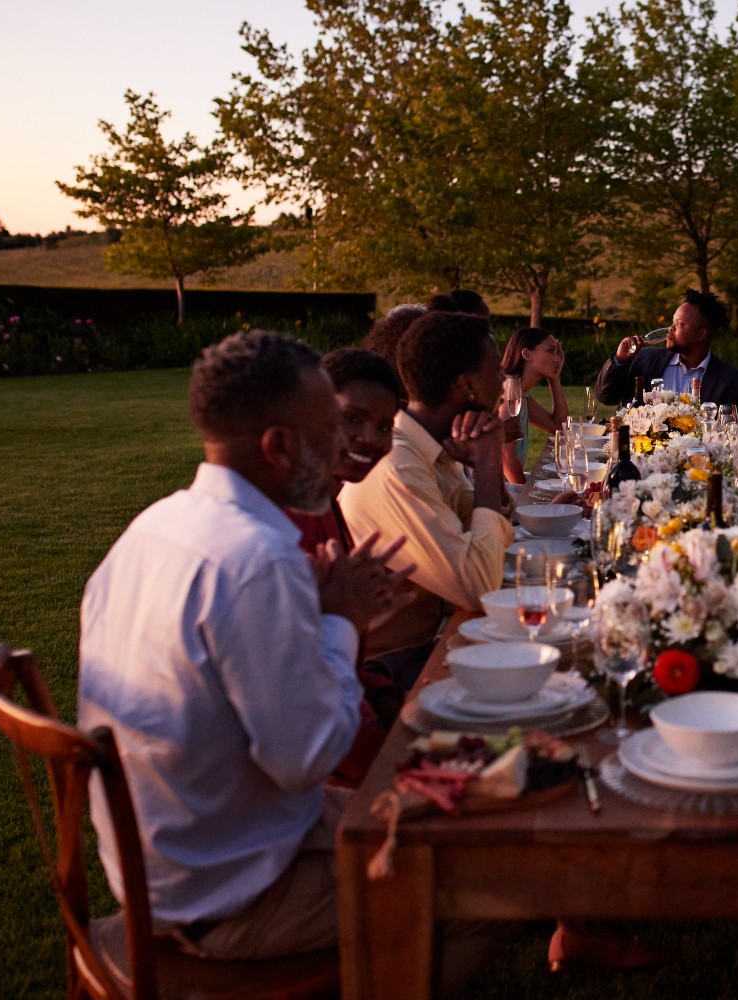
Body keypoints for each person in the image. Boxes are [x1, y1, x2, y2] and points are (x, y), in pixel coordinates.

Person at [78, 330, 414, 962]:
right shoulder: (259, 560)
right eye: (330, 430)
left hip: (167, 854)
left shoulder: (153, 526)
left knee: (429, 815)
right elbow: (309, 757)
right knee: (468, 874)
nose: (345, 446)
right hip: (226, 890)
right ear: (280, 446)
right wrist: (341, 621)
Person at [339, 311, 514, 682]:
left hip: (436, 642)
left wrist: (485, 465)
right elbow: (478, 585)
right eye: (495, 371)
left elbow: (494, 527)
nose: (502, 381)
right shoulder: (397, 466)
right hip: (392, 670)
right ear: (466, 386)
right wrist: (486, 462)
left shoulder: (428, 445)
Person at [283, 347, 408, 785]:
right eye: (351, 419)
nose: (370, 440)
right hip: (317, 778)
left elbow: (342, 663)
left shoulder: (324, 502)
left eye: (384, 427)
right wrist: (399, 760)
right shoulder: (280, 532)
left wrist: (391, 703)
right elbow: (299, 700)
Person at [595, 287, 738, 419]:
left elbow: (737, 436)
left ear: (701, 334)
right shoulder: (643, 360)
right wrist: (620, 360)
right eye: (672, 321)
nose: (671, 328)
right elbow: (605, 397)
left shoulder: (732, 381)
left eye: (680, 324)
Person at [498, 326, 569, 484]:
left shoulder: (521, 393)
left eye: (558, 353)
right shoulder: (509, 390)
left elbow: (559, 426)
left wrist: (554, 378)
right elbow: (507, 461)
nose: (557, 359)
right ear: (527, 354)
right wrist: (526, 499)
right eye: (550, 351)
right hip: (496, 489)